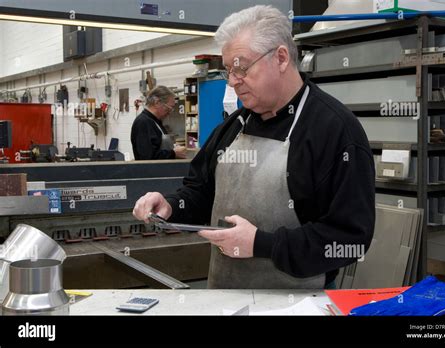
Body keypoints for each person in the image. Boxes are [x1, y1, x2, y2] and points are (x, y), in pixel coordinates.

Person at [133, 5, 375, 289]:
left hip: (300, 304)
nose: (234, 81)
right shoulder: (233, 127)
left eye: (241, 67)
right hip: (226, 297)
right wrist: (172, 206)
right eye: (228, 71)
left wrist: (262, 244)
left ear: (281, 58)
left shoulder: (334, 131)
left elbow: (350, 239)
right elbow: (200, 192)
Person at [131, 86, 187, 160]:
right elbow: (147, 157)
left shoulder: (156, 121)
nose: (169, 113)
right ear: (157, 102)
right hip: (151, 171)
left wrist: (174, 148)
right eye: (169, 108)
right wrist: (173, 153)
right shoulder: (143, 123)